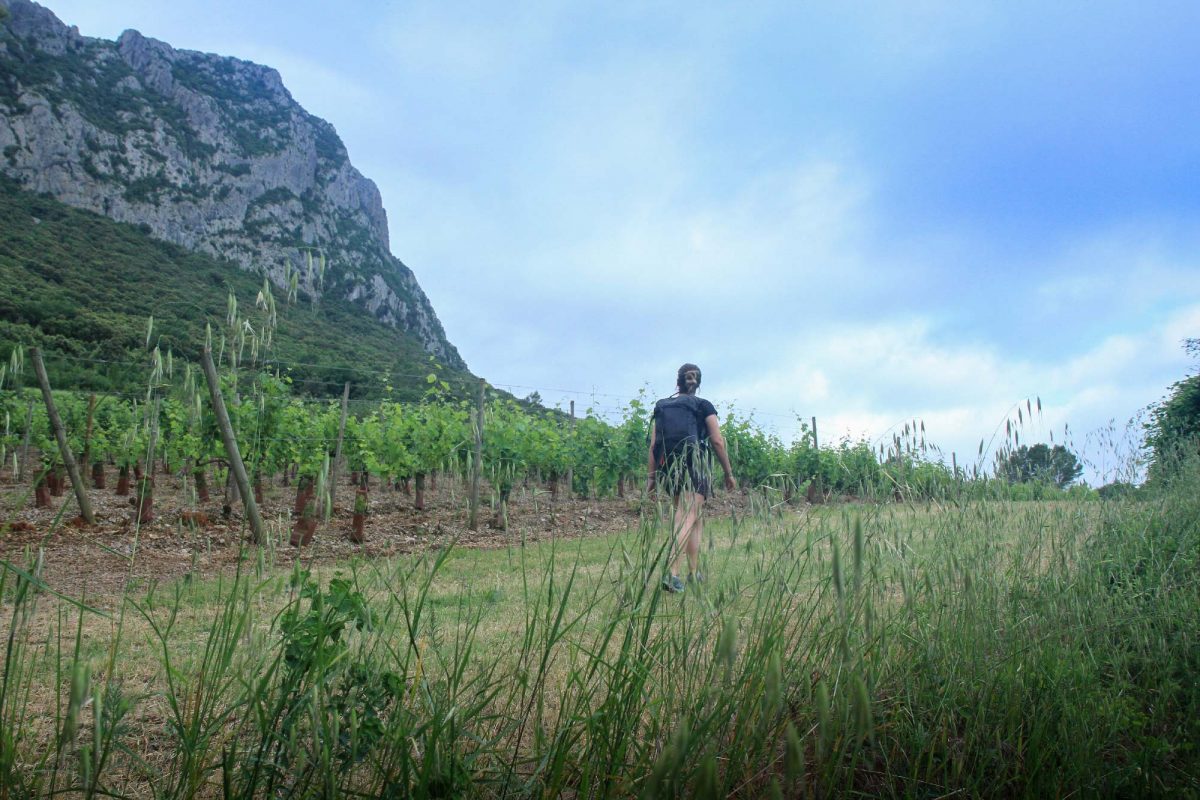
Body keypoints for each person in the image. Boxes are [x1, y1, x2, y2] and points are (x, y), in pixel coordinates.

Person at [646, 363, 735, 593]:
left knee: (694, 517)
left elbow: (654, 444)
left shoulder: (662, 406)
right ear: (698, 382)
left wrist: (652, 479)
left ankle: (694, 573)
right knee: (687, 515)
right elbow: (717, 441)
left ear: (678, 381)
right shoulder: (703, 405)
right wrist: (728, 473)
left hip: (669, 466)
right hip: (694, 462)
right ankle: (672, 572)